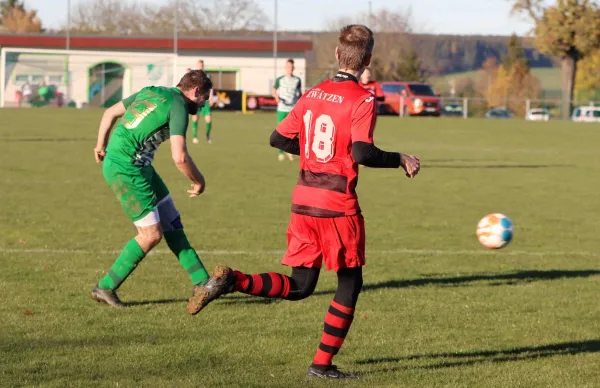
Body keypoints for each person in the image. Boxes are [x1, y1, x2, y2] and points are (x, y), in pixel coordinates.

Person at [187, 25, 421, 379]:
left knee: (300, 286)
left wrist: (311, 153)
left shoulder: (312, 93)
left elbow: (278, 138)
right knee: (349, 282)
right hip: (337, 204)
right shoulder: (363, 98)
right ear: (368, 60)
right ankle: (322, 365)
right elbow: (362, 152)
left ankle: (234, 280)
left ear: (338, 55)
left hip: (303, 200)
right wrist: (400, 157)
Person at [91, 70, 215, 307]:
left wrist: (100, 145)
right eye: (204, 99)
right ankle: (105, 287)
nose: (203, 105)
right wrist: (199, 181)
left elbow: (110, 113)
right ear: (195, 90)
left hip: (137, 165)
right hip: (126, 169)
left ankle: (202, 282)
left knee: (171, 221)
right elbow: (179, 157)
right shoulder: (178, 105)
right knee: (151, 235)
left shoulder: (152, 91)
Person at [272, 59, 302, 161]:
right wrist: (277, 98)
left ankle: (289, 151)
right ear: (285, 68)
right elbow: (274, 90)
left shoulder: (297, 80)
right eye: (288, 67)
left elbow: (300, 94)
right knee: (281, 130)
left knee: (293, 131)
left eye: (292, 67)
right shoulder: (280, 79)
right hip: (282, 108)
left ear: (293, 68)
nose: (290, 69)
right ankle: (280, 152)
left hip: (292, 109)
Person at [190, 60, 214, 144]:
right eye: (199, 65)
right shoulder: (193, 76)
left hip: (205, 100)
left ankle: (208, 135)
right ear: (197, 65)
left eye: (202, 65)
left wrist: (211, 98)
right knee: (195, 118)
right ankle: (195, 136)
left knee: (208, 119)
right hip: (196, 100)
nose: (200, 66)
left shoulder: (207, 76)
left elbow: (210, 87)